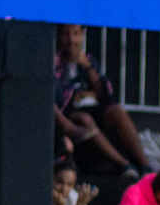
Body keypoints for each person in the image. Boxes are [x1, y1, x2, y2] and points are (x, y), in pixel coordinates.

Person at [52, 23, 151, 176]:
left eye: (76, 34)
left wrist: (88, 68)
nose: (71, 39)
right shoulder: (55, 62)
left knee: (117, 111)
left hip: (92, 109)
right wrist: (75, 94)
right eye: (66, 34)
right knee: (85, 119)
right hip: (69, 114)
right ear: (59, 36)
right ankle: (124, 165)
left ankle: (146, 166)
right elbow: (57, 97)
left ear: (82, 35)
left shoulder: (88, 60)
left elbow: (106, 96)